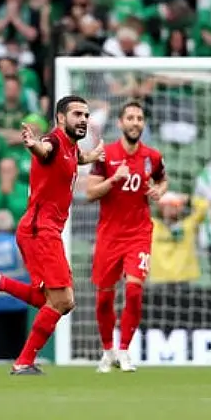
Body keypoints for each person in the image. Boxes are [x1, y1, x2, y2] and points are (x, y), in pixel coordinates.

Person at [0, 96, 104, 375]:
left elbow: (72, 157)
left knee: (51, 301)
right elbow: (46, 151)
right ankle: (23, 362)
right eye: (76, 114)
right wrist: (33, 146)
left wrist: (89, 157)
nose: (83, 119)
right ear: (60, 118)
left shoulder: (71, 145)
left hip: (43, 230)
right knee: (63, 301)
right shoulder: (53, 141)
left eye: (86, 115)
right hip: (39, 230)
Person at [85, 102, 167, 373]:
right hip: (109, 234)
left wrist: (159, 190)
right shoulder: (105, 155)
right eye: (130, 118)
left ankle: (124, 351)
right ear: (120, 123)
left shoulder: (152, 156)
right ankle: (108, 351)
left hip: (139, 233)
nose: (135, 122)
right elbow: (90, 192)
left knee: (133, 290)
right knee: (104, 298)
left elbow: (162, 179)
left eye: (139, 118)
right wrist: (113, 180)